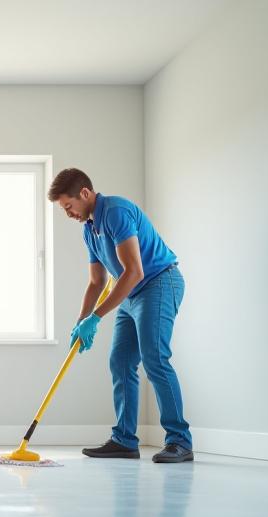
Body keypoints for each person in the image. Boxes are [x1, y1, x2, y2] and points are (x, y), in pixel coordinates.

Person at [48, 168, 193, 463]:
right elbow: (96, 282)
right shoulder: (89, 229)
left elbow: (135, 271)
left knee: (154, 358)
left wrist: (97, 317)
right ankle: (124, 440)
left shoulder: (116, 212)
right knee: (121, 361)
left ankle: (180, 441)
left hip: (158, 282)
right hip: (131, 293)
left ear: (85, 194)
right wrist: (81, 321)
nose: (68, 214)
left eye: (68, 206)